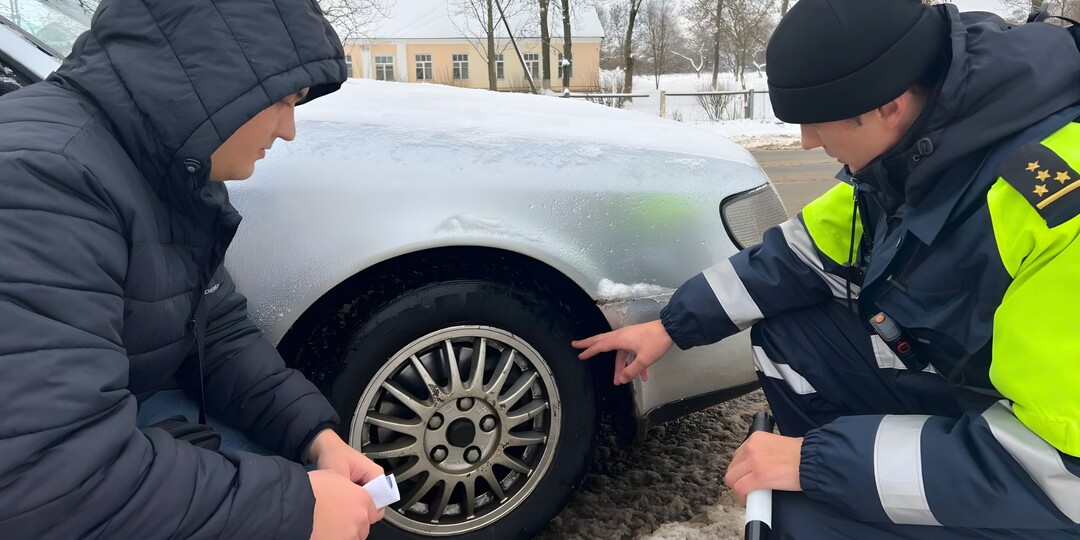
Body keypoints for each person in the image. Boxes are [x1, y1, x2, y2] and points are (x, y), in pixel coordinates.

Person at [574, 0, 1080, 537]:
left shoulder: (1058, 214)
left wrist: (819, 463)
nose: (806, 142)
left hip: (1050, 471)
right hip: (979, 392)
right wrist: (672, 324)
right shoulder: (922, 146)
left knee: (797, 516)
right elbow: (801, 252)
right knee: (790, 339)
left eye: (817, 121)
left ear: (888, 106)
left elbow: (1061, 470)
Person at [0, 0, 385, 538]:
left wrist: (313, 436)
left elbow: (212, 327)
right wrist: (297, 509)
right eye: (282, 101)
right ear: (217, 83)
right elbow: (45, 482)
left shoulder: (162, 166)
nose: (289, 130)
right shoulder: (44, 182)